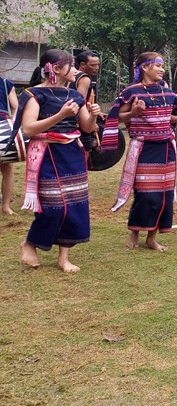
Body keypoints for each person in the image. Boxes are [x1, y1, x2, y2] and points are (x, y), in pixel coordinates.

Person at [17, 49, 100, 271]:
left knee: (75, 206)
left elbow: (86, 128)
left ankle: (64, 257)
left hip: (72, 153)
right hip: (46, 153)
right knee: (53, 207)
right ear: (55, 69)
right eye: (70, 65)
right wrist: (60, 115)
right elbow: (28, 128)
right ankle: (30, 243)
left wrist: (92, 114)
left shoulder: (74, 95)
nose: (75, 70)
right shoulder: (34, 94)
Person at [102, 52, 177, 252]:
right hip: (144, 147)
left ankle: (152, 237)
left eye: (162, 66)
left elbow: (168, 118)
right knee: (145, 193)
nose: (161, 69)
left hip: (166, 147)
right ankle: (135, 231)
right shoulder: (131, 92)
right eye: (157, 65)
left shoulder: (168, 93)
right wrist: (133, 113)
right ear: (144, 67)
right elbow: (115, 119)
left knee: (164, 195)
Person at [72, 50, 101, 156]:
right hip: (79, 124)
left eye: (98, 65)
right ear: (82, 64)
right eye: (93, 65)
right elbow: (79, 104)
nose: (96, 68)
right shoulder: (84, 78)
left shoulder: (71, 75)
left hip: (69, 123)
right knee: (83, 156)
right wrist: (90, 123)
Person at [0, 73, 19, 214]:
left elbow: (16, 107)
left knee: (7, 169)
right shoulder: (6, 83)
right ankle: (6, 206)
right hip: (4, 128)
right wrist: (13, 123)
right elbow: (15, 107)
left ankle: (6, 206)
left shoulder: (6, 83)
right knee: (7, 169)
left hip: (3, 128)